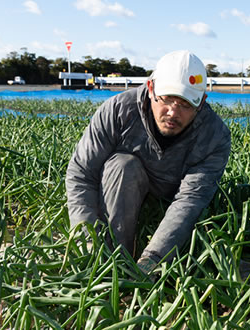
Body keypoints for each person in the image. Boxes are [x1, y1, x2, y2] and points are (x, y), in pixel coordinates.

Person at [66, 50, 231, 276]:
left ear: (201, 102)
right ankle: (113, 259)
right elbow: (81, 174)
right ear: (151, 88)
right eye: (167, 99)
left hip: (171, 194)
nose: (173, 112)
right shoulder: (117, 110)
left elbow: (190, 199)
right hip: (122, 184)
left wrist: (153, 259)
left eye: (185, 105)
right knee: (122, 165)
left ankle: (135, 269)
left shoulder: (215, 135)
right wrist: (87, 241)